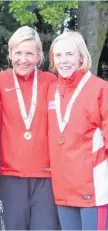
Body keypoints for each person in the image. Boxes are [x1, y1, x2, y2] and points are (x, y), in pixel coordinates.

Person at [0, 26, 60, 230]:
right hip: (8, 174)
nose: (23, 59)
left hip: (46, 176)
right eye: (18, 53)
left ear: (39, 55)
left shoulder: (51, 81)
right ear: (10, 53)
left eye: (30, 53)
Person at [47, 31, 108, 230]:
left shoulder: (101, 89)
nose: (63, 61)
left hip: (92, 187)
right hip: (63, 187)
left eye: (69, 54)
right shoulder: (52, 91)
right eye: (58, 55)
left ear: (81, 56)